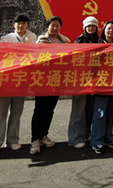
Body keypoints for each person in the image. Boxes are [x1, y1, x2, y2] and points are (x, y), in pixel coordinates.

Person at [0, 13, 37, 156]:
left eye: (23, 23)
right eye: (18, 23)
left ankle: (12, 140)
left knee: (16, 112)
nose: (21, 26)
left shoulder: (33, 38)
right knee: (1, 113)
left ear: (27, 25)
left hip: (22, 81)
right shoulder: (6, 38)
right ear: (14, 24)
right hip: (6, 81)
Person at [30, 16, 70, 155]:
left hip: (56, 80)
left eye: (57, 25)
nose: (54, 28)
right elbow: (34, 59)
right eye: (52, 25)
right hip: (42, 80)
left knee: (49, 109)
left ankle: (43, 135)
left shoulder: (65, 42)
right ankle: (35, 139)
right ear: (47, 27)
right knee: (39, 110)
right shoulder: (41, 40)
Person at [68, 16, 99, 149]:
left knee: (90, 109)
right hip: (80, 80)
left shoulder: (99, 41)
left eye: (93, 26)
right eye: (88, 26)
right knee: (78, 110)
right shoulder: (79, 41)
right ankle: (75, 138)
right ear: (84, 27)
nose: (91, 28)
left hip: (95, 80)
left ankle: (87, 133)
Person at [90, 21, 113, 155]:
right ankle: (97, 141)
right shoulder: (97, 44)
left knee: (111, 113)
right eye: (108, 29)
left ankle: (108, 137)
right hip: (101, 84)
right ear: (104, 30)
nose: (111, 31)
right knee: (100, 114)